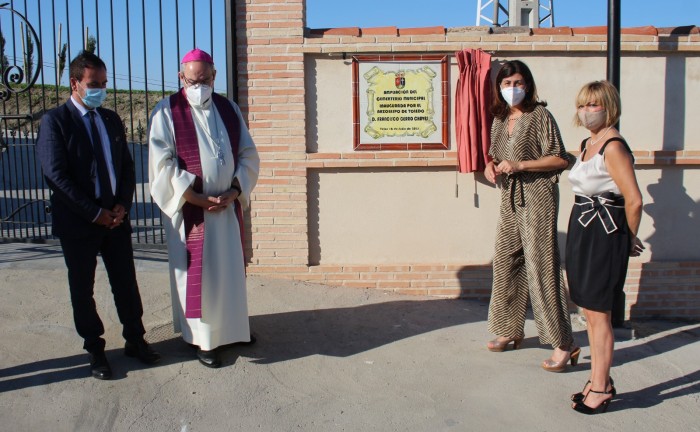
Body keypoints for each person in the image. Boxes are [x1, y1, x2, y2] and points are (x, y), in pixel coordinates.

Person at [36, 51, 160, 380]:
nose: (100, 90)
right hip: (79, 224)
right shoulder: (55, 122)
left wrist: (122, 206)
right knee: (83, 289)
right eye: (94, 84)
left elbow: (125, 166)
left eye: (104, 84)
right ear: (75, 83)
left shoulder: (110, 119)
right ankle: (95, 349)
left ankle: (135, 339)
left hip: (115, 221)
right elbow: (56, 176)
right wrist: (95, 213)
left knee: (126, 283)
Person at [148, 48, 260, 368]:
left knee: (229, 274)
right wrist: (194, 197)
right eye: (192, 80)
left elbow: (248, 154)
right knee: (203, 278)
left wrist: (236, 188)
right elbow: (161, 164)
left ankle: (235, 330)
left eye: (205, 79)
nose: (199, 85)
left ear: (214, 77)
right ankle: (204, 340)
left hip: (226, 211)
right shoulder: (166, 112)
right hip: (192, 214)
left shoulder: (229, 109)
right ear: (181, 77)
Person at [484, 60, 578, 371]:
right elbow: (496, 155)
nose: (513, 89)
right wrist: (490, 165)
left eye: (518, 82)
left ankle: (564, 343)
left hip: (538, 197)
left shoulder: (540, 116)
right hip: (509, 198)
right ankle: (509, 329)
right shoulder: (499, 119)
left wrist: (522, 166)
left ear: (528, 84)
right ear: (500, 87)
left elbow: (560, 158)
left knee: (541, 265)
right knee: (506, 261)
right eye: (507, 83)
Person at [567, 81, 643, 414]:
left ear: (609, 106)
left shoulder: (613, 146)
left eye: (594, 104)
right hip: (583, 228)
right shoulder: (588, 143)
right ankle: (599, 380)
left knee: (600, 316)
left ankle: (601, 386)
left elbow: (635, 199)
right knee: (588, 309)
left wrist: (627, 237)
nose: (587, 111)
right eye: (583, 105)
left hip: (605, 232)